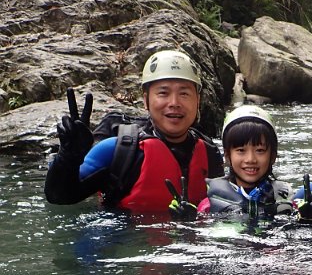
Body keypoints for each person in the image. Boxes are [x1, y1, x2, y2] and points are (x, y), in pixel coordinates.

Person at [44, 49, 224, 218]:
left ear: (198, 100)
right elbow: (59, 196)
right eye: (163, 93)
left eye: (184, 94)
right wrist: (68, 157)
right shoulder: (118, 150)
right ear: (146, 100)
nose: (174, 102)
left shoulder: (210, 155)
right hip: (120, 234)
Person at [198, 104, 293, 219]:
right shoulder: (208, 206)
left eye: (260, 150)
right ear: (227, 156)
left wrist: (308, 220)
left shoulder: (285, 199)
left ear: (272, 156)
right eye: (241, 150)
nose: (250, 159)